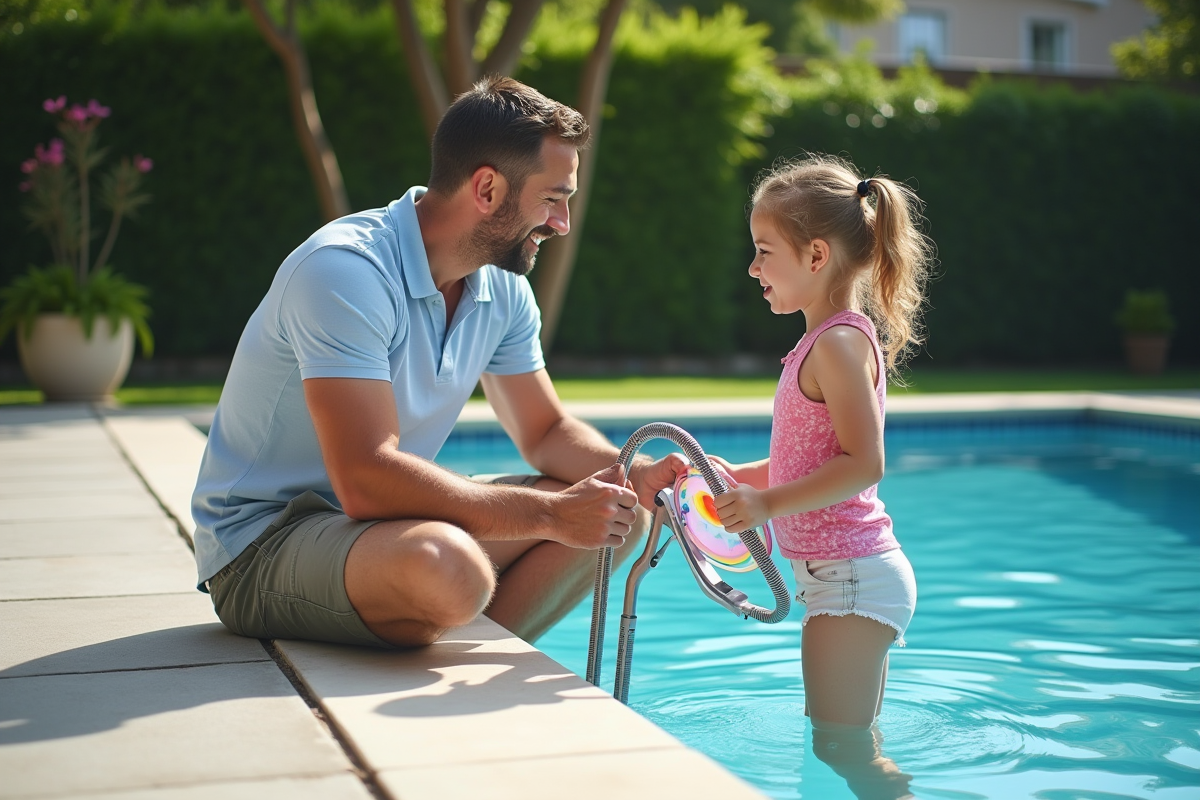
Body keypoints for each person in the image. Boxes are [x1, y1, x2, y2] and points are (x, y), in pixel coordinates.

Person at [191, 75, 685, 650]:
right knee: (451, 568)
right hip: (264, 544)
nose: (562, 223)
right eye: (552, 199)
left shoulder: (502, 290)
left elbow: (546, 430)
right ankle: (441, 627)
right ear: (487, 188)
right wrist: (548, 515)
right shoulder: (346, 271)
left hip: (379, 532)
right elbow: (367, 479)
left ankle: (455, 656)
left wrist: (640, 473)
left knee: (616, 516)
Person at [712, 154, 930, 732]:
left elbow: (864, 463)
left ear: (815, 255)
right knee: (851, 744)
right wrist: (743, 476)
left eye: (764, 250)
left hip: (851, 580)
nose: (753, 267)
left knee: (840, 746)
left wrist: (766, 506)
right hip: (843, 579)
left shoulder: (835, 345)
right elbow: (804, 459)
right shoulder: (825, 343)